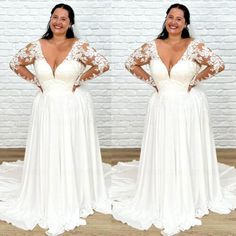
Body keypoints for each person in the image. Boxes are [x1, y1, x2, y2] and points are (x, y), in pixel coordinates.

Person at [111, 3, 236, 236]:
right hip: (161, 104)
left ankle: (190, 190)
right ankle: (162, 189)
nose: (174, 22)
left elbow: (218, 64)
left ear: (186, 23)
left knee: (185, 146)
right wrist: (152, 82)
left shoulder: (194, 46)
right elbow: (130, 63)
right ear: (165, 19)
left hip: (188, 105)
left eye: (180, 18)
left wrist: (194, 80)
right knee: (164, 146)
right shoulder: (152, 46)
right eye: (171, 17)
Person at [0, 3, 110, 236]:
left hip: (73, 105)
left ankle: (74, 189)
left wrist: (80, 78)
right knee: (49, 146)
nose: (58, 22)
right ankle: (48, 188)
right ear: (50, 20)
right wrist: (37, 81)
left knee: (71, 145)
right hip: (47, 104)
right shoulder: (37, 46)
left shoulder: (79, 46)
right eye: (55, 17)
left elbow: (102, 64)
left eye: (63, 18)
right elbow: (14, 63)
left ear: (70, 23)